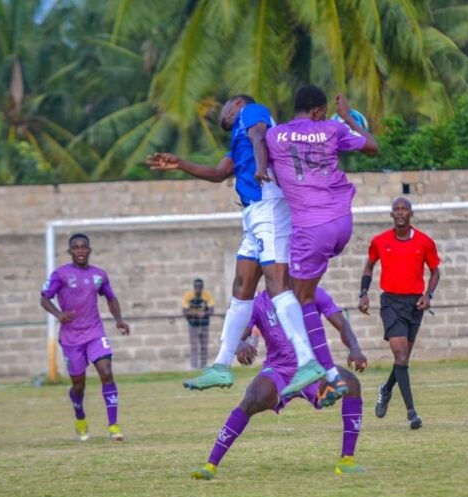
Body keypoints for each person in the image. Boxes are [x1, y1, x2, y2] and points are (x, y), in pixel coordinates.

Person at [146, 95, 325, 392]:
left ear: (238, 103)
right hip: (252, 211)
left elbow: (260, 136)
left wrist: (261, 167)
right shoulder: (237, 139)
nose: (222, 112)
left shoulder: (252, 112)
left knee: (277, 285)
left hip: (269, 204)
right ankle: (221, 366)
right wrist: (179, 163)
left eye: (226, 105)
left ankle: (308, 361)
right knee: (241, 288)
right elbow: (218, 174)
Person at [261, 85, 378, 397]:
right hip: (342, 223)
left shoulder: (275, 136)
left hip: (311, 229)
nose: (323, 116)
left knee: (294, 303)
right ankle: (325, 372)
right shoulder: (330, 129)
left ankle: (311, 366)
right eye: (324, 112)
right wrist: (346, 119)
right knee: (305, 297)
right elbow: (372, 147)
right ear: (316, 111)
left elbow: (258, 153)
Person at [190, 286, 368, 480]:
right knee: (253, 399)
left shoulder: (312, 292)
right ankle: (211, 464)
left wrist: (355, 349)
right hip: (279, 370)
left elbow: (342, 324)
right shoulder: (259, 302)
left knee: (351, 384)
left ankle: (347, 460)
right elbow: (237, 334)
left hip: (313, 366)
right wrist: (239, 344)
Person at [357, 197, 440, 429]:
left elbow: (435, 272)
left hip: (415, 304)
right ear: (391, 214)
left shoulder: (425, 242)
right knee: (401, 357)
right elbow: (369, 267)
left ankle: (385, 389)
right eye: (397, 209)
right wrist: (363, 293)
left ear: (411, 213)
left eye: (405, 209)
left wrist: (428, 295)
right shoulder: (380, 241)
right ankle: (411, 412)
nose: (401, 213)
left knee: (402, 360)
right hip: (391, 302)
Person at [40, 233, 130, 441]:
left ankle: (114, 426)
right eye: (76, 248)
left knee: (106, 372)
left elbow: (110, 297)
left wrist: (119, 319)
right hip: (71, 337)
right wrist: (58, 314)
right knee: (79, 385)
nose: (80, 250)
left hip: (95, 332)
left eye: (83, 247)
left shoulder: (99, 275)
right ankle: (80, 415)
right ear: (70, 251)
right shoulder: (60, 274)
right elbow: (44, 298)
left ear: (89, 250)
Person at [182, 278, 215, 369]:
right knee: (194, 346)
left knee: (204, 345)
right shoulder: (188, 295)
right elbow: (185, 311)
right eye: (196, 287)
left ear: (202, 287)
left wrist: (204, 313)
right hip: (193, 324)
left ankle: (203, 365)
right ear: (194, 287)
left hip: (204, 323)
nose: (198, 289)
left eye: (200, 287)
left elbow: (212, 310)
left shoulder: (207, 295)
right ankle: (194, 366)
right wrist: (196, 314)